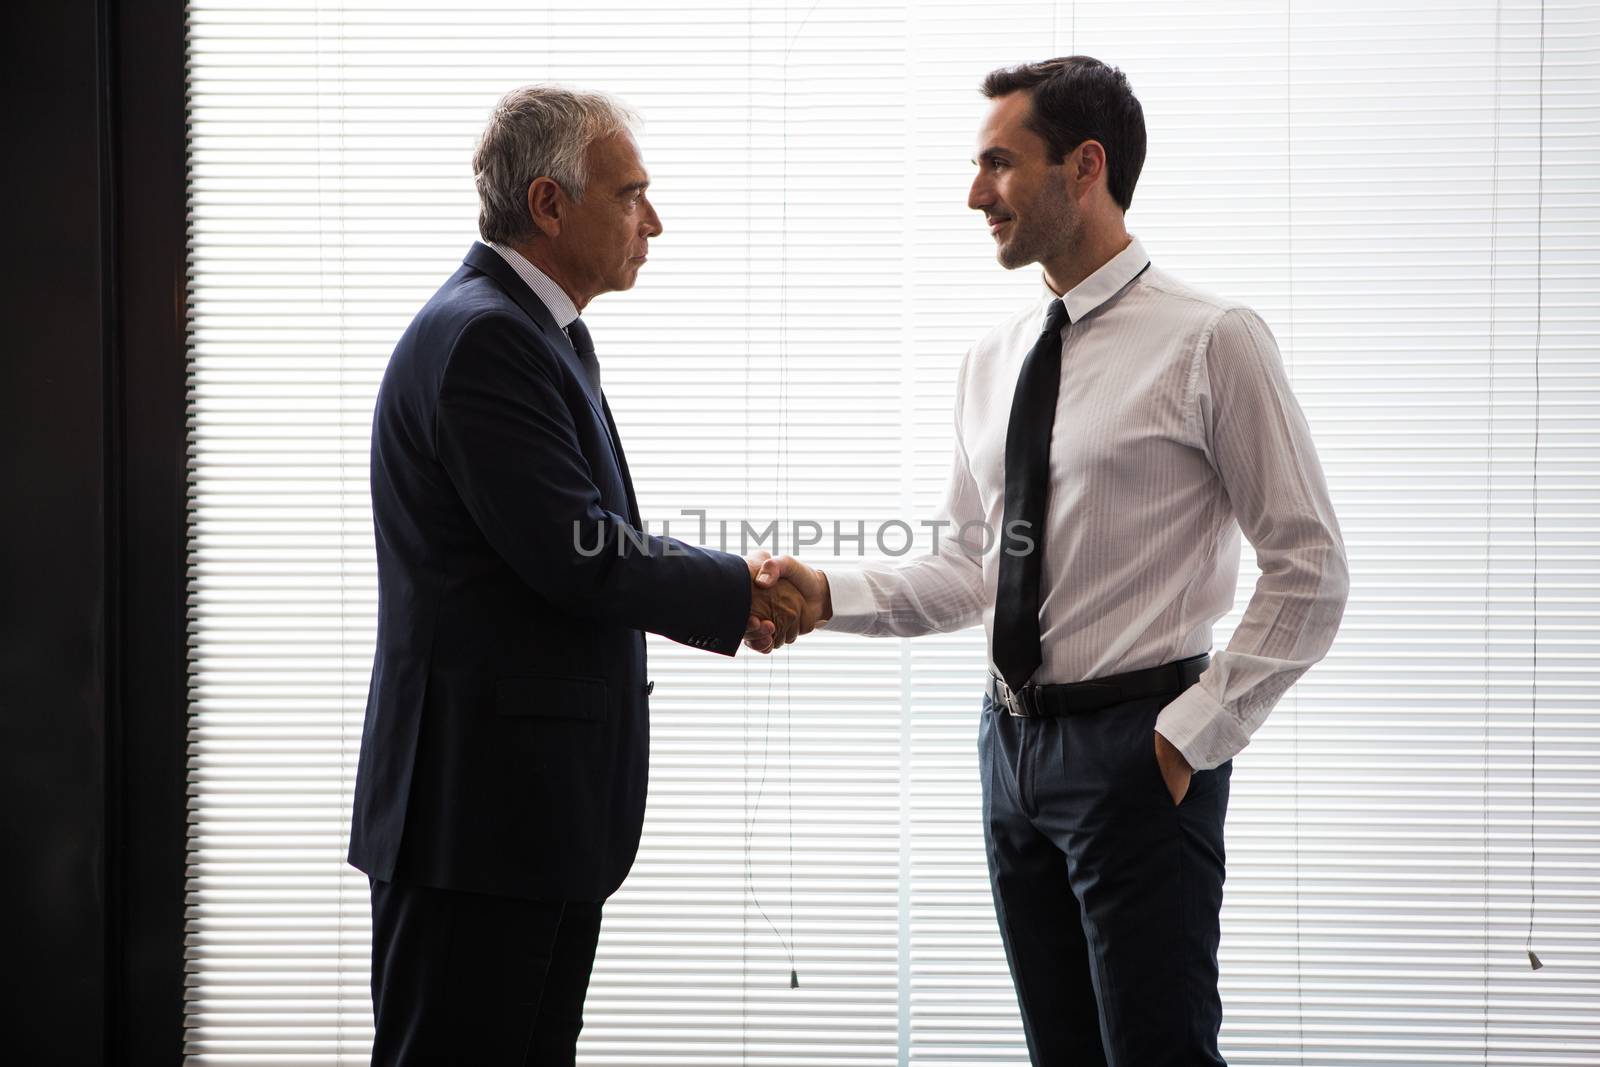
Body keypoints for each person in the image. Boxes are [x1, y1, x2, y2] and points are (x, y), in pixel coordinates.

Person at [755, 57, 1349, 1066]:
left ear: (1084, 166)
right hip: (1009, 754)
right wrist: (826, 594)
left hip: (1136, 750)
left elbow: (1309, 568)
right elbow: (964, 568)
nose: (975, 192)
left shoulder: (1212, 339)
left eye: (999, 163)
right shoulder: (992, 360)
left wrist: (1184, 738)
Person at [348, 85, 808, 1066]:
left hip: (523, 820)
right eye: (630, 193)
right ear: (549, 204)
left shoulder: (534, 333)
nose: (653, 220)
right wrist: (739, 592)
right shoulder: (486, 337)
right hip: (476, 825)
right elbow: (577, 549)